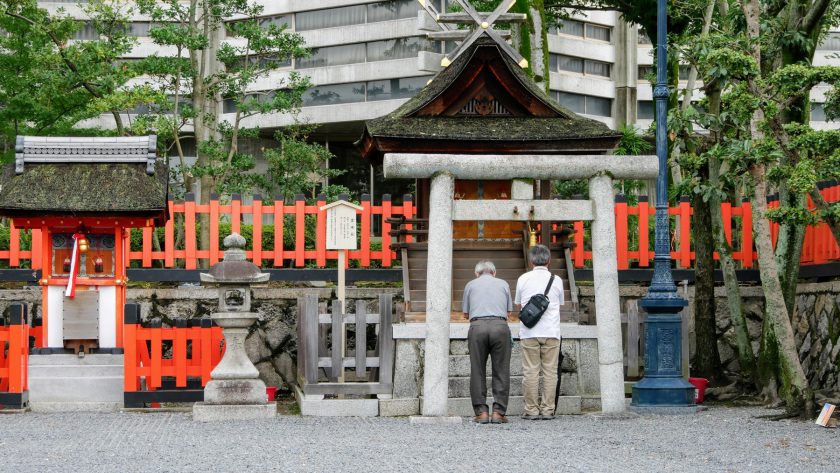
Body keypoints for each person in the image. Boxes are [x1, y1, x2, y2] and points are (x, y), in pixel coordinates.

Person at [515, 244, 564, 420]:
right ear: (549, 261)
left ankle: (531, 410)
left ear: (531, 261)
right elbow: (560, 303)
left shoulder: (523, 279)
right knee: (550, 372)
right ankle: (548, 410)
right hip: (551, 331)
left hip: (529, 332)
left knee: (530, 371)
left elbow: (520, 305)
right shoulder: (557, 280)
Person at [462, 260, 513, 424]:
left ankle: (481, 412)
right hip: (500, 326)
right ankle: (498, 412)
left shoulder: (470, 285)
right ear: (494, 272)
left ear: (476, 273)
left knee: (477, 370)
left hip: (477, 327)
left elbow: (465, 313)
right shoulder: (503, 284)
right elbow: (509, 311)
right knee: (501, 370)